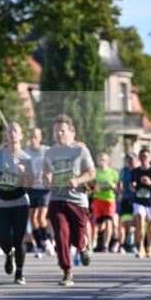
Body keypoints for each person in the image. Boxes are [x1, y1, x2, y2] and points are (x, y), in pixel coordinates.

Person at [42, 114, 95, 287]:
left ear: (71, 132)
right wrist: (46, 179)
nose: (59, 134)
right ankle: (67, 271)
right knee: (61, 235)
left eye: (62, 130)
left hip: (77, 200)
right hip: (57, 199)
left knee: (76, 238)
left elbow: (91, 173)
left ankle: (82, 247)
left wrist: (77, 181)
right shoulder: (50, 153)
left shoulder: (80, 150)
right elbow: (46, 173)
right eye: (56, 131)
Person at [0, 121, 33, 285]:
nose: (12, 133)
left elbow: (31, 183)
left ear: (21, 136)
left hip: (20, 201)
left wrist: (24, 174)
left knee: (19, 239)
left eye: (15, 130)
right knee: (3, 239)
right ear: (6, 136)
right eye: (9, 131)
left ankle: (20, 272)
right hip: (1, 201)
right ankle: (8, 255)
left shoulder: (26, 157)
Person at [25, 126, 54, 258]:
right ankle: (40, 245)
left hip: (44, 188)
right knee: (32, 218)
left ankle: (47, 239)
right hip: (31, 188)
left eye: (36, 137)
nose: (33, 139)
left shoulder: (46, 150)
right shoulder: (25, 152)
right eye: (31, 136)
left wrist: (46, 174)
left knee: (41, 217)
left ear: (40, 138)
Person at [130, 147, 151, 259]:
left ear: (149, 158)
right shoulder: (135, 171)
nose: (144, 158)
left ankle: (150, 246)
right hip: (139, 200)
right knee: (140, 219)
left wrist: (150, 183)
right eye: (142, 156)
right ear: (139, 158)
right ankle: (140, 247)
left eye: (146, 156)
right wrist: (133, 187)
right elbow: (131, 185)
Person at [90, 152, 119, 252]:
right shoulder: (94, 172)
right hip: (97, 200)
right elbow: (91, 186)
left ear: (108, 161)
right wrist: (95, 188)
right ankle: (95, 242)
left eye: (104, 160)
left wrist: (113, 186)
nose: (102, 162)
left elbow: (118, 186)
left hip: (109, 200)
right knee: (97, 224)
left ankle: (105, 245)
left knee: (108, 222)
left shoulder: (113, 173)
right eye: (100, 160)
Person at [117, 153, 139, 252]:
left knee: (137, 221)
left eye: (132, 159)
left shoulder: (139, 171)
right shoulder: (124, 171)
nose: (130, 161)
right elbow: (119, 183)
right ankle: (127, 239)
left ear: (136, 159)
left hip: (137, 200)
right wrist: (120, 190)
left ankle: (134, 245)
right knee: (126, 222)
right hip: (126, 199)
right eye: (128, 159)